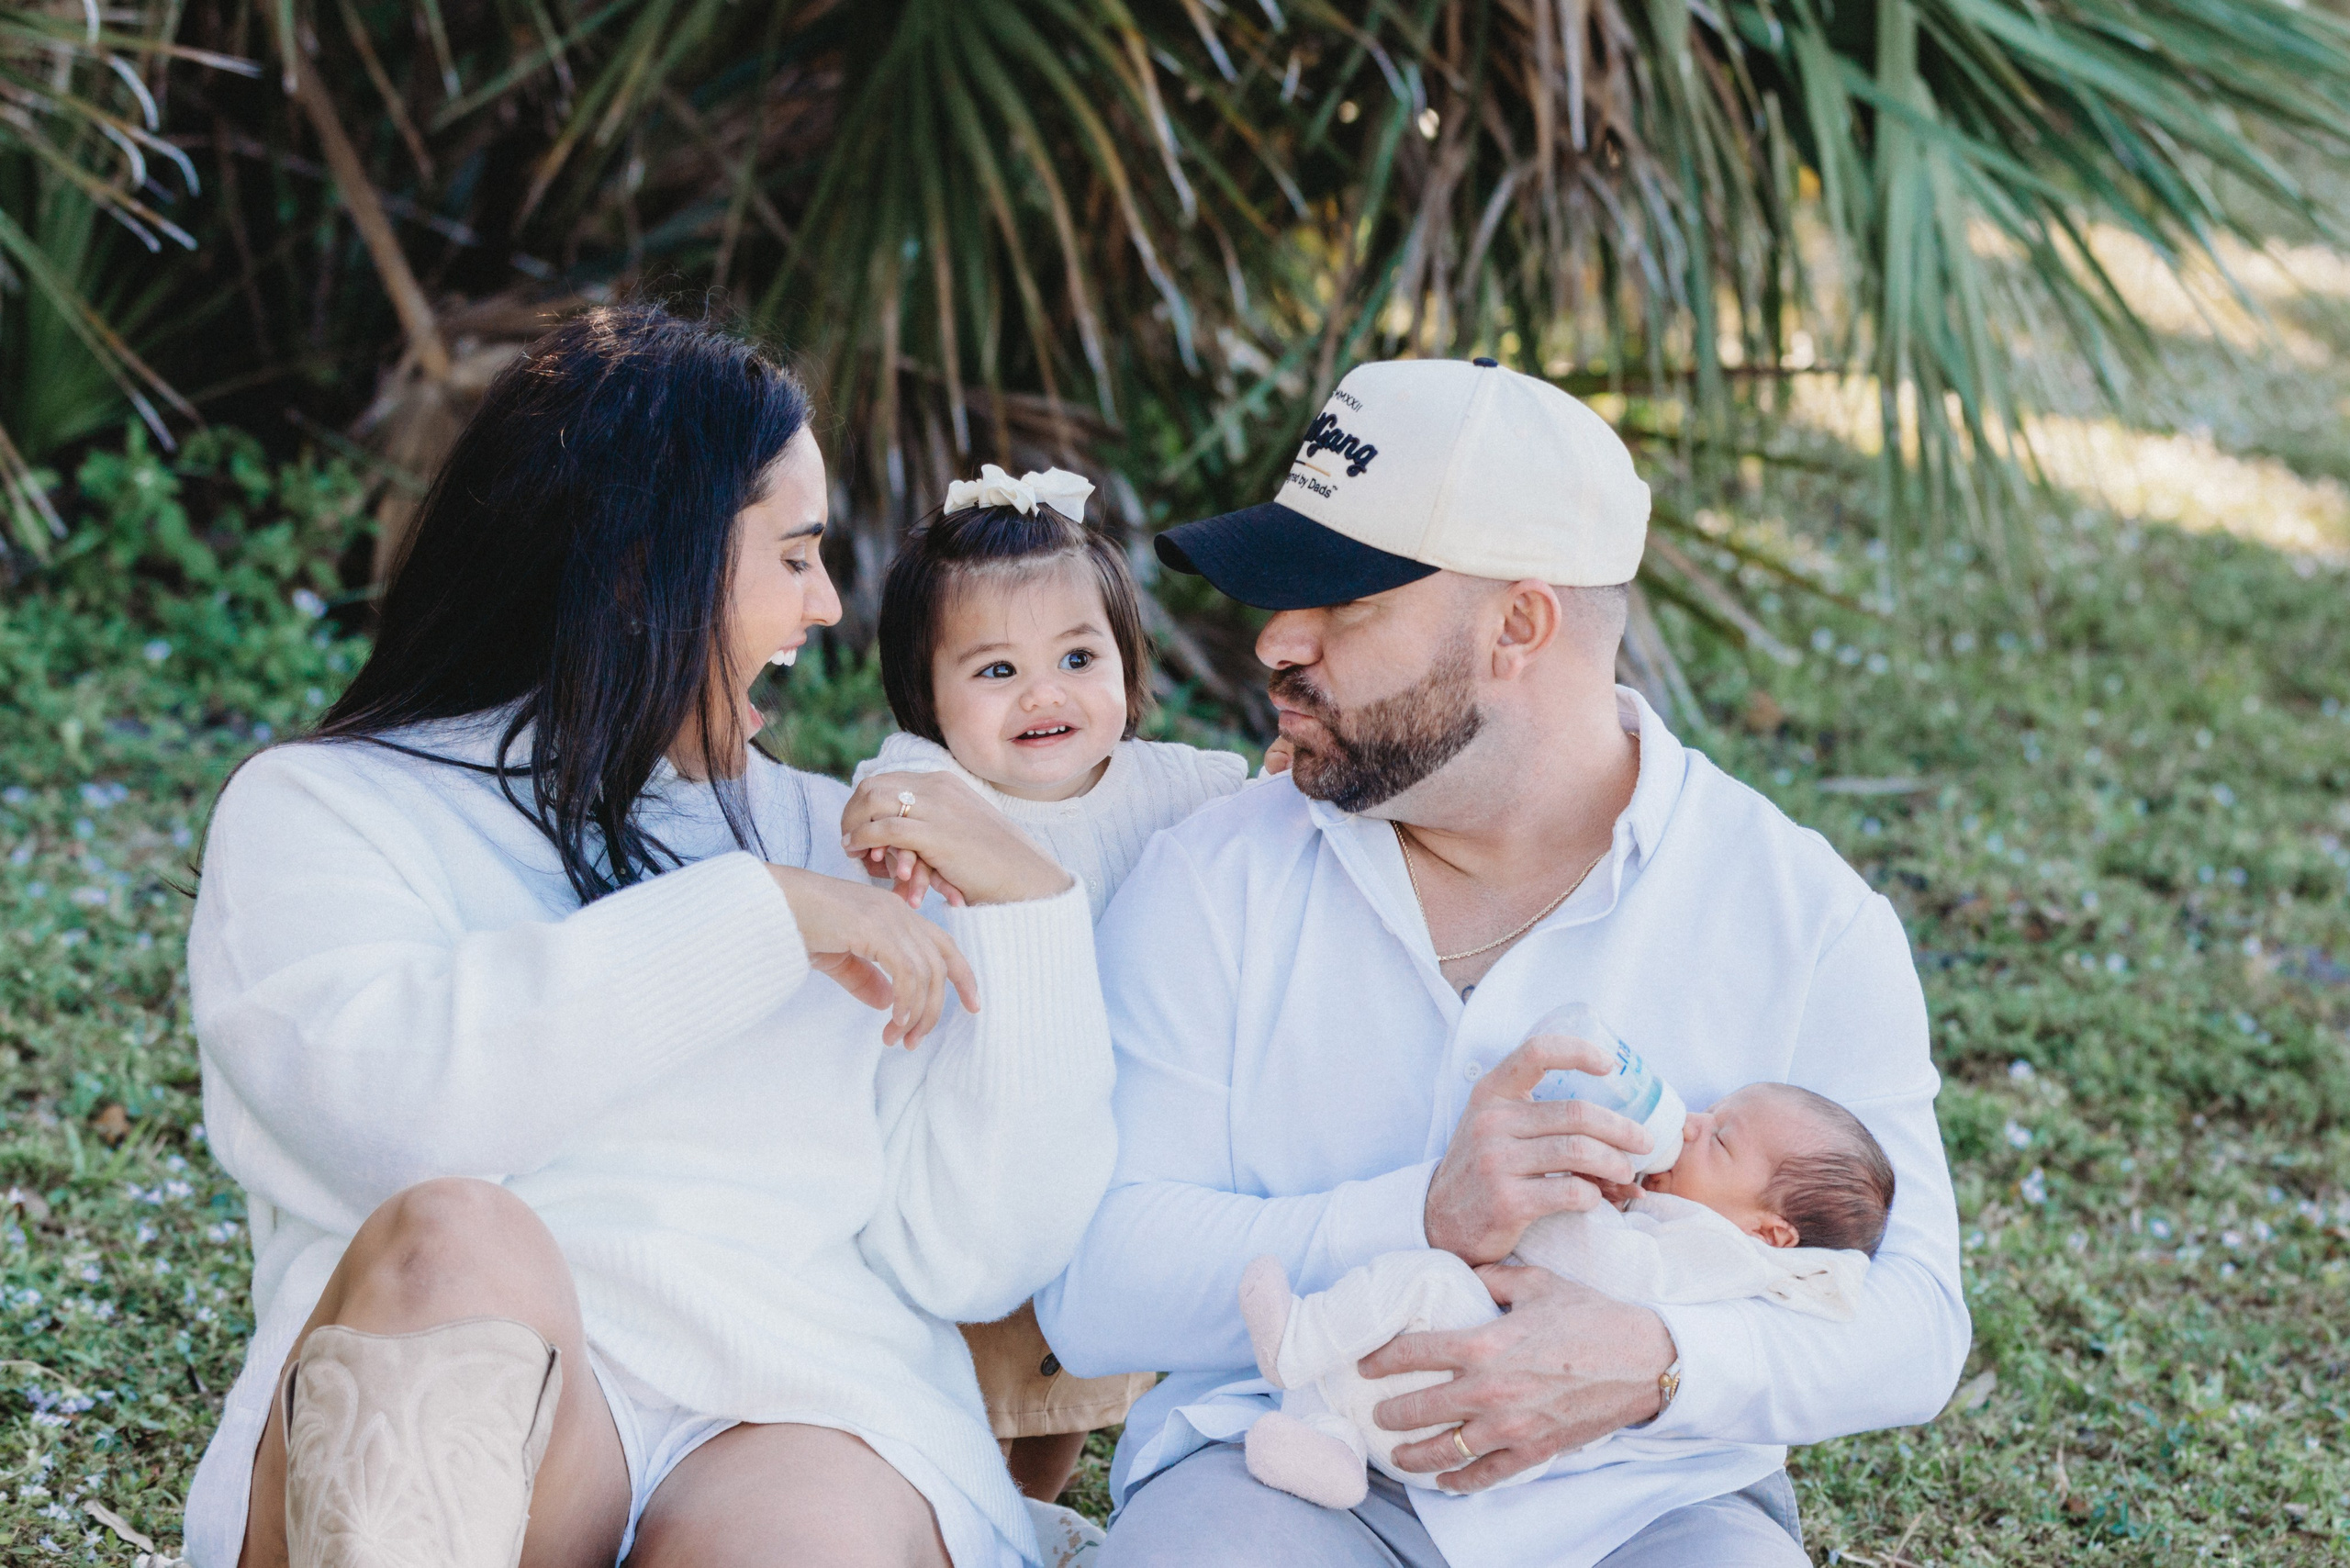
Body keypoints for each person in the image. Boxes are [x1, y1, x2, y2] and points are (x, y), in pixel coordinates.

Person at [183, 306, 1114, 1568]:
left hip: (791, 1400)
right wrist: (758, 917)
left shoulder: (842, 839)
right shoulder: (331, 807)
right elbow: (387, 1115)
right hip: (458, 1432)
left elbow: (970, 1252)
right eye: (793, 556)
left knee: (808, 1533)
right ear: (644, 570)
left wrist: (1031, 916)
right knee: (455, 1236)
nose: (830, 604)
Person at [1035, 355, 1969, 1568]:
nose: (1277, 641)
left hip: (1651, 1499)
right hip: (1281, 1477)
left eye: (1343, 601)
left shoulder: (1802, 918)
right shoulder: (1213, 882)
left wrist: (1657, 1360)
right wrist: (1415, 1215)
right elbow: (1094, 1283)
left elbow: (1916, 1325)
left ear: (1520, 625)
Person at [848, 462, 1253, 1503]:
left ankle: (1026, 1514)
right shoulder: (933, 787)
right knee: (964, 1382)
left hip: (1113, 1158)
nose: (1044, 693)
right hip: (979, 1140)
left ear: (1127, 661)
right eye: (993, 670)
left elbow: (1259, 821)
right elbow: (885, 798)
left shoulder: (1171, 787)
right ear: (924, 695)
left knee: (1067, 1398)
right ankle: (960, 1508)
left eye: (1079, 655)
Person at [1237, 1079, 1897, 1509]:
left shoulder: (1720, 1255)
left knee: (1429, 1280)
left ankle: (1299, 1342)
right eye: (1710, 1113)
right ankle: (1332, 1445)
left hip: (1504, 1424)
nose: (1692, 1124)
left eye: (1720, 1138)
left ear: (1772, 1233)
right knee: (1402, 1333)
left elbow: (1603, 1266)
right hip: (1478, 1423)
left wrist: (1565, 1191)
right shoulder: (1708, 1239)